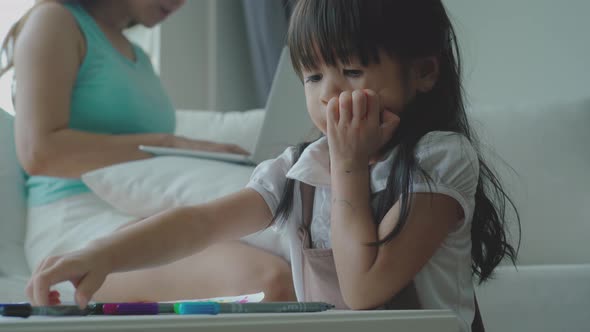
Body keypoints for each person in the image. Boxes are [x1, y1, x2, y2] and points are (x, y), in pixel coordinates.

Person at [27, 0, 521, 331]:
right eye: (311, 75)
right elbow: (200, 223)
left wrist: (347, 166)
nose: (329, 94)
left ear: (424, 72)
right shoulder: (299, 168)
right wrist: (104, 254)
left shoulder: (439, 158)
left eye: (351, 71)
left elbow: (366, 289)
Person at [1, 0, 295, 303]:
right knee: (270, 279)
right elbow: (39, 152)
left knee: (296, 265)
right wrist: (168, 144)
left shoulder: (137, 56)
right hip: (74, 220)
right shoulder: (54, 20)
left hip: (135, 208)